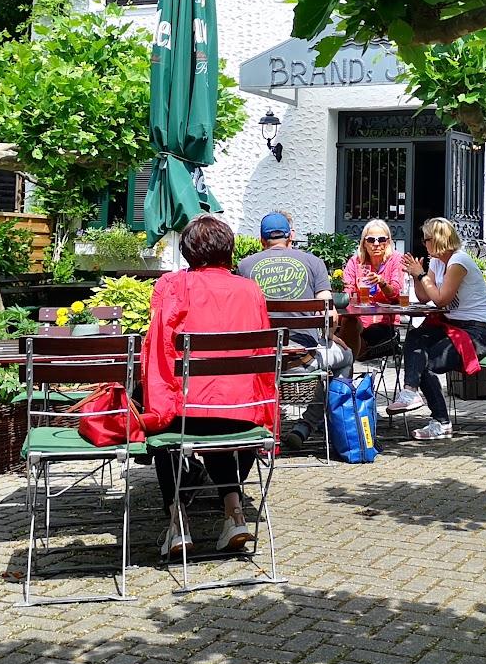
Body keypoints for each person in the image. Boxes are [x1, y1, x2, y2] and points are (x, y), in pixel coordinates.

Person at [142, 214, 276, 558]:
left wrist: (156, 406)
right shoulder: (251, 289)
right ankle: (234, 511)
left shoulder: (172, 286)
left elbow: (158, 349)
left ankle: (178, 523)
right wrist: (264, 410)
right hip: (242, 413)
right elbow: (263, 353)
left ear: (188, 252)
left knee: (170, 432)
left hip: (189, 413)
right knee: (222, 426)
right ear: (228, 250)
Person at [237, 210, 351, 452]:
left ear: (261, 239)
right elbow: (329, 312)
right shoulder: (313, 262)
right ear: (291, 237)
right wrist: (329, 336)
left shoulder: (245, 266)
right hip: (304, 359)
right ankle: (307, 426)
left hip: (264, 362)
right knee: (346, 357)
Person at [391, 217, 486, 440]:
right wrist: (416, 276)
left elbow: (440, 299)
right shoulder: (438, 262)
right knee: (416, 335)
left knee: (428, 364)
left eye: (427, 239)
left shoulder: (458, 262)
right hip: (454, 325)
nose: (424, 243)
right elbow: (424, 296)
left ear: (438, 240)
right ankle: (410, 391)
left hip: (479, 332)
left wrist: (421, 274)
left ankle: (441, 422)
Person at [342, 219, 406, 362]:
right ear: (364, 242)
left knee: (348, 340)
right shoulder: (355, 261)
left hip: (384, 325)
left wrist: (382, 283)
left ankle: (345, 368)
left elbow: (396, 292)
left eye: (381, 239)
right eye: (371, 239)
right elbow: (348, 289)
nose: (376, 244)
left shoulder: (395, 259)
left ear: (388, 242)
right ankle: (345, 370)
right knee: (349, 324)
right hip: (358, 322)